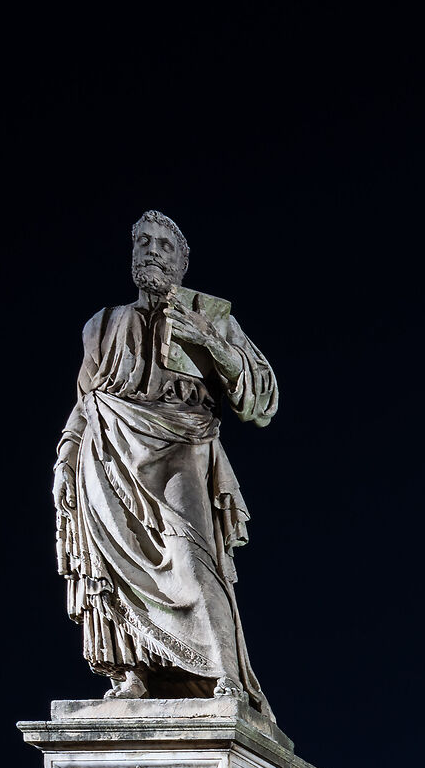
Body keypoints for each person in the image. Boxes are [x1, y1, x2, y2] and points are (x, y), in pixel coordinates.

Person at [54, 212, 278, 711]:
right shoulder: (103, 323)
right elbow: (85, 399)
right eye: (142, 242)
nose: (151, 251)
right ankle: (133, 670)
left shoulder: (209, 313)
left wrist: (209, 342)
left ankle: (224, 675)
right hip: (109, 452)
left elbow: (261, 399)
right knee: (113, 561)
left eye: (163, 244)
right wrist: (65, 458)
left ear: (182, 261)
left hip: (183, 445)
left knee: (192, 561)